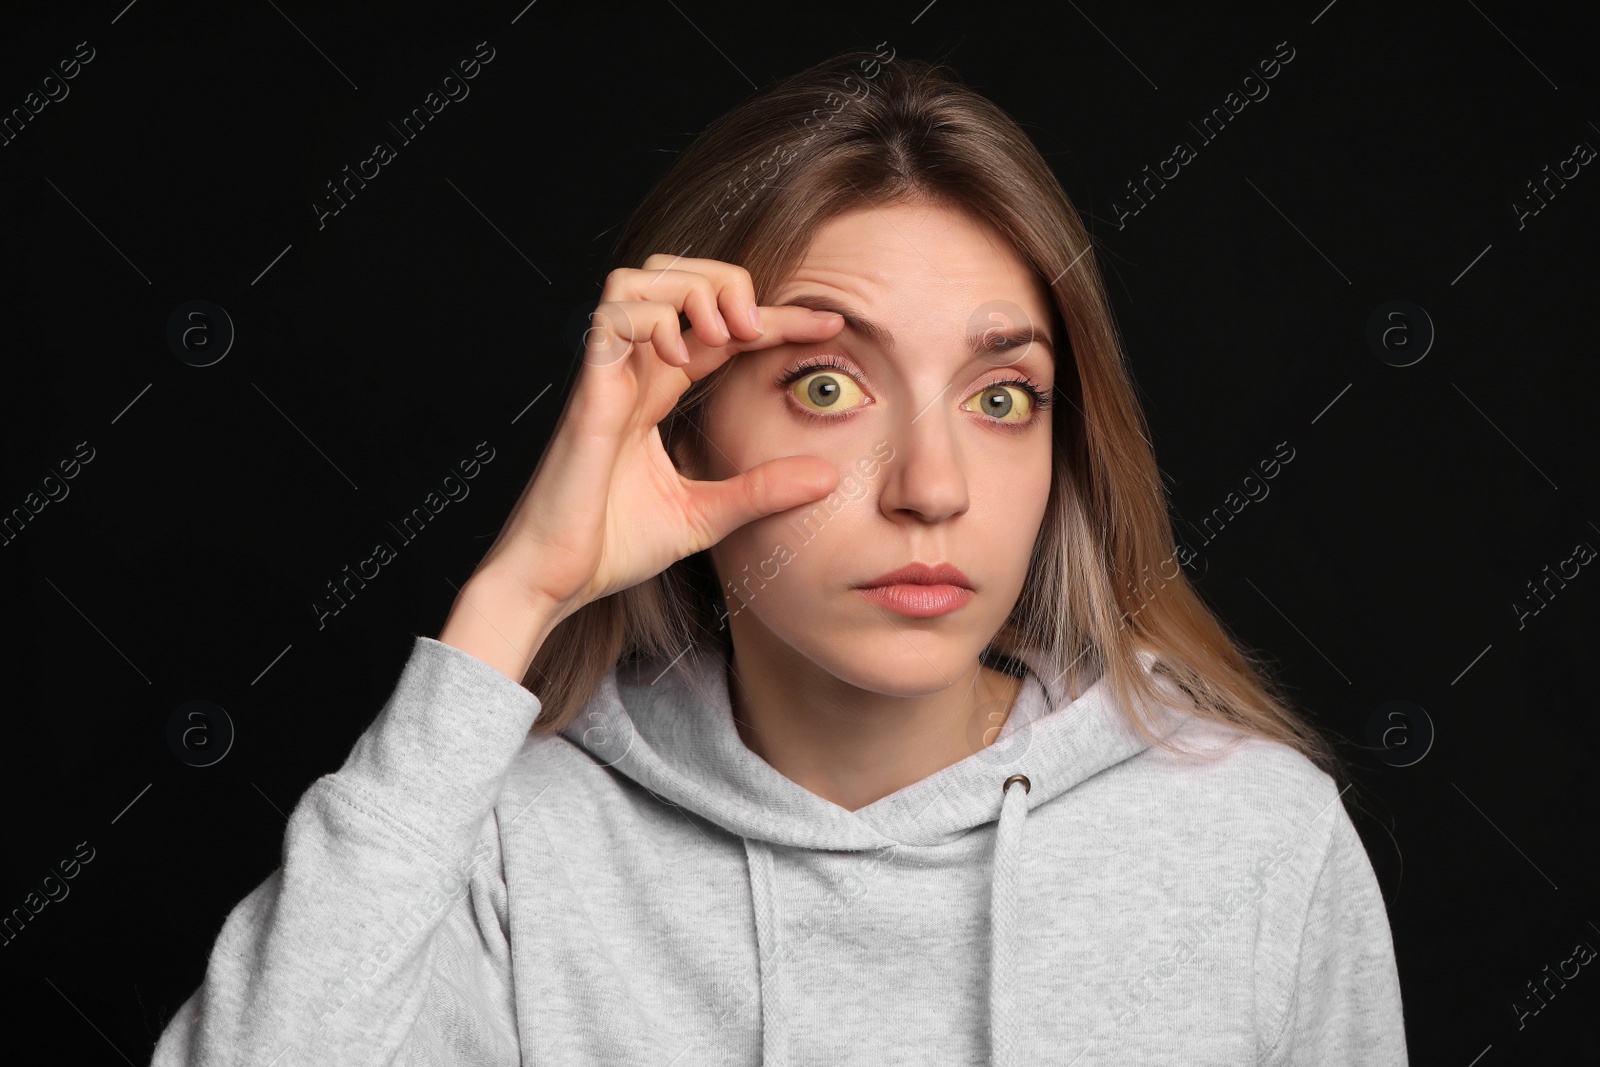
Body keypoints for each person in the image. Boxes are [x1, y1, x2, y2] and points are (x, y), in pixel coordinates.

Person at [150, 47, 1408, 1065]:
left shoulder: (1251, 838)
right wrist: (513, 595)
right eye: (826, 383)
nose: (932, 488)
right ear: (682, 428)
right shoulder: (511, 846)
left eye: (1001, 396)